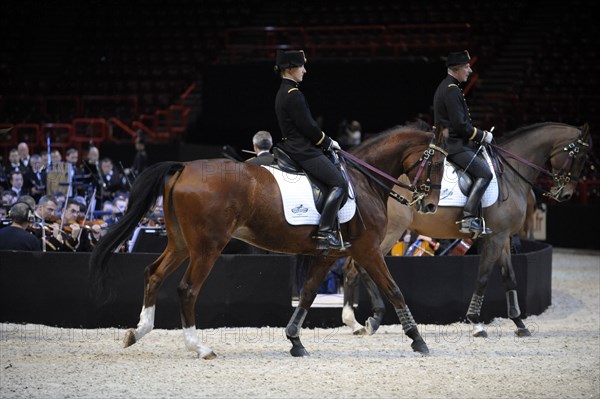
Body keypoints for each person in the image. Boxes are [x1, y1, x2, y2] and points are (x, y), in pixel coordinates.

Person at [273, 49, 348, 250]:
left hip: (292, 145)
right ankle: (324, 231)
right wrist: (328, 142)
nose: (304, 71)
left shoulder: (284, 91)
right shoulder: (293, 94)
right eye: (301, 66)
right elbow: (308, 127)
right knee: (339, 183)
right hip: (303, 150)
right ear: (290, 69)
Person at [433, 50, 493, 236]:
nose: (470, 70)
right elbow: (460, 126)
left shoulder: (448, 86)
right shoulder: (451, 90)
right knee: (485, 173)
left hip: (453, 142)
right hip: (453, 146)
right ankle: (468, 218)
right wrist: (482, 136)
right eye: (466, 67)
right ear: (457, 69)